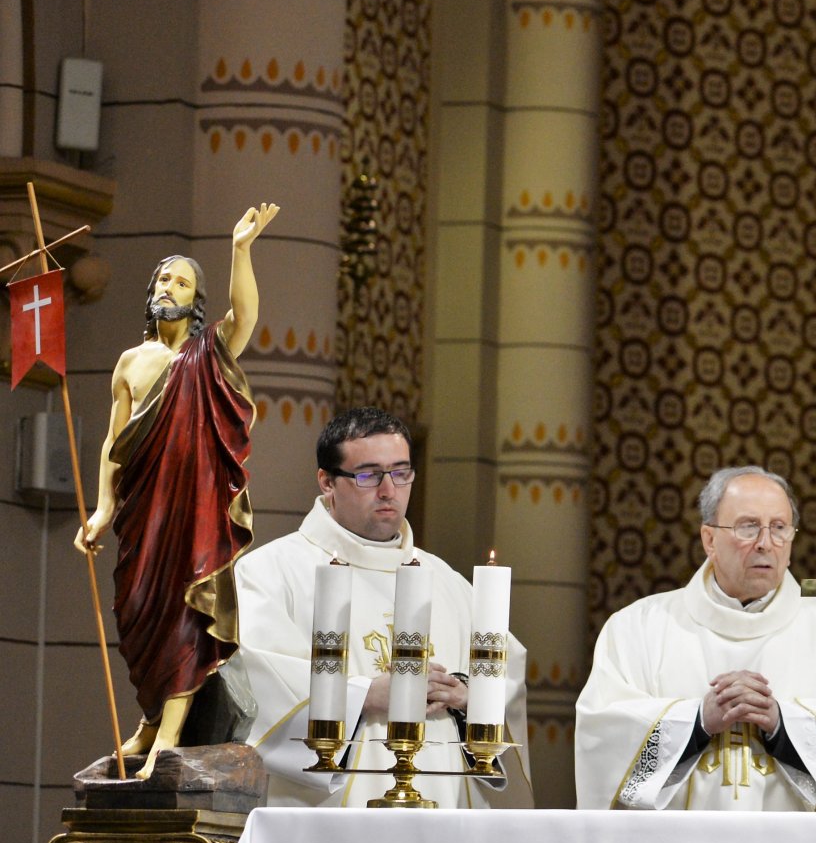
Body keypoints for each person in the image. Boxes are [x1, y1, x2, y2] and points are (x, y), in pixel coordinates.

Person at [223, 407, 532, 807]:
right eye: (368, 475)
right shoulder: (269, 573)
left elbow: (505, 672)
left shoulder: (449, 582)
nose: (389, 490)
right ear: (327, 482)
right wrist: (365, 695)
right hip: (330, 818)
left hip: (445, 808)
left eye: (401, 473)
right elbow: (254, 681)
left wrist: (465, 693)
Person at [76, 205, 277, 778]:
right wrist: (103, 508)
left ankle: (166, 737)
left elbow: (246, 316)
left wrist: (240, 249)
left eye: (182, 282)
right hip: (144, 514)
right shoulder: (130, 363)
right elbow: (115, 444)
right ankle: (148, 716)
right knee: (138, 611)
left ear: (196, 300)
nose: (170, 287)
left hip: (193, 515)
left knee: (186, 615)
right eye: (164, 279)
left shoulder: (206, 353)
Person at [575, 465, 816, 810]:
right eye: (748, 527)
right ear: (709, 539)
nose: (765, 544)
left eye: (779, 528)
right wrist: (698, 721)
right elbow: (601, 734)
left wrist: (783, 725)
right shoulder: (637, 627)